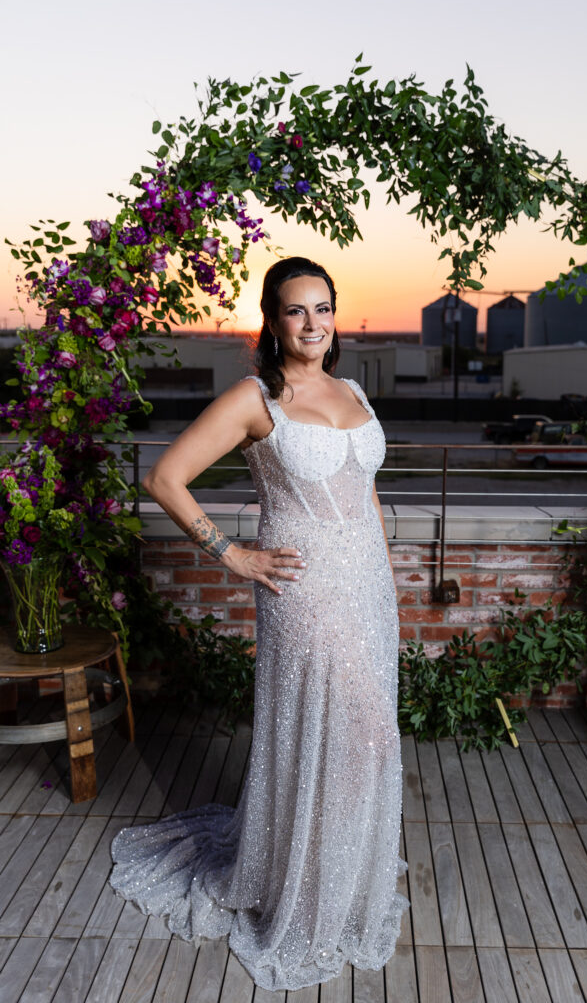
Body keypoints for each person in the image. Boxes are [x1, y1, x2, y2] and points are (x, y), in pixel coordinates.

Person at [109, 256, 410, 992]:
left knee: (369, 737)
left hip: (367, 587)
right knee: (347, 730)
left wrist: (384, 572)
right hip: (302, 589)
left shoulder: (352, 390)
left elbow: (362, 490)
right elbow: (164, 477)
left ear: (335, 316)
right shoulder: (255, 398)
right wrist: (233, 555)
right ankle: (303, 889)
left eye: (322, 309)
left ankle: (340, 865)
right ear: (270, 322)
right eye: (294, 311)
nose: (312, 323)